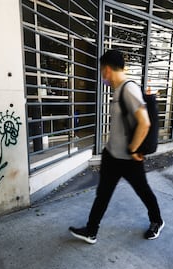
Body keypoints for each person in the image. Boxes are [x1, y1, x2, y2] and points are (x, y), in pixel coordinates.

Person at [69, 50, 164, 244]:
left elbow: (144, 123)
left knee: (143, 191)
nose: (102, 76)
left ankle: (157, 221)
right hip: (112, 155)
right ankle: (91, 230)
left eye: (102, 70)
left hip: (128, 159)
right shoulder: (119, 89)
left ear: (107, 69)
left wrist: (134, 150)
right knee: (102, 194)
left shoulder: (129, 89)